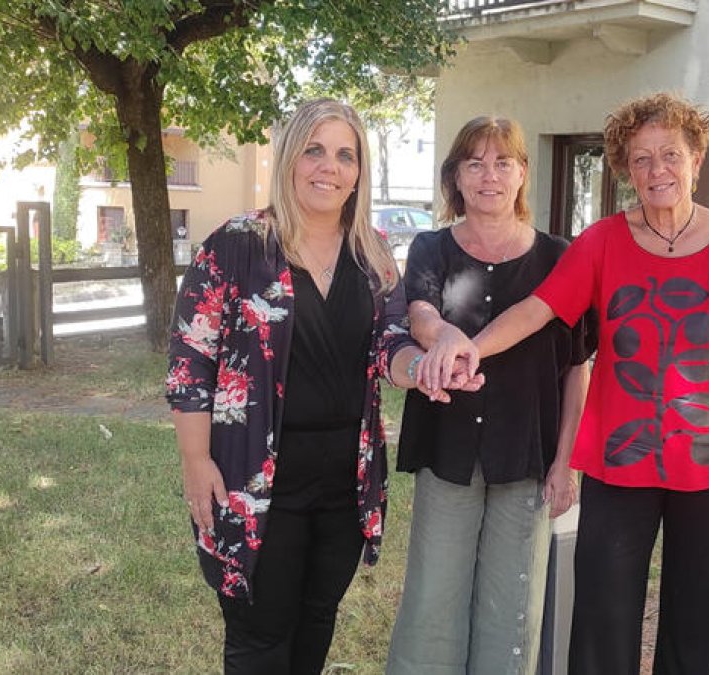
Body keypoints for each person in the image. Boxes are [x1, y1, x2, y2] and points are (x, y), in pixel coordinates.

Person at [428, 92, 709, 674]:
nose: (656, 170)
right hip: (622, 462)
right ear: (624, 169)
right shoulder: (603, 241)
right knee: (602, 622)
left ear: (696, 160)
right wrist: (469, 349)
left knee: (702, 626)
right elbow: (538, 309)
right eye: (640, 159)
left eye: (669, 155)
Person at [165, 98, 480, 674]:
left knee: (315, 626)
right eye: (314, 150)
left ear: (359, 170)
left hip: (343, 482)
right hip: (254, 479)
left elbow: (389, 346)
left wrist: (429, 366)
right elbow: (190, 362)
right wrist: (194, 461)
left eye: (344, 155)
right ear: (289, 158)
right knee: (260, 637)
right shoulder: (236, 248)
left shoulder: (373, 256)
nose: (328, 167)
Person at [386, 116, 592, 675]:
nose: (489, 175)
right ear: (455, 176)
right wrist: (443, 336)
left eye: (503, 162)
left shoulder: (559, 257)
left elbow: (576, 369)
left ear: (523, 173)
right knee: (433, 597)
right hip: (447, 447)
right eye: (474, 163)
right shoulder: (430, 247)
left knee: (512, 612)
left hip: (528, 455)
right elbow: (421, 313)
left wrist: (566, 463)